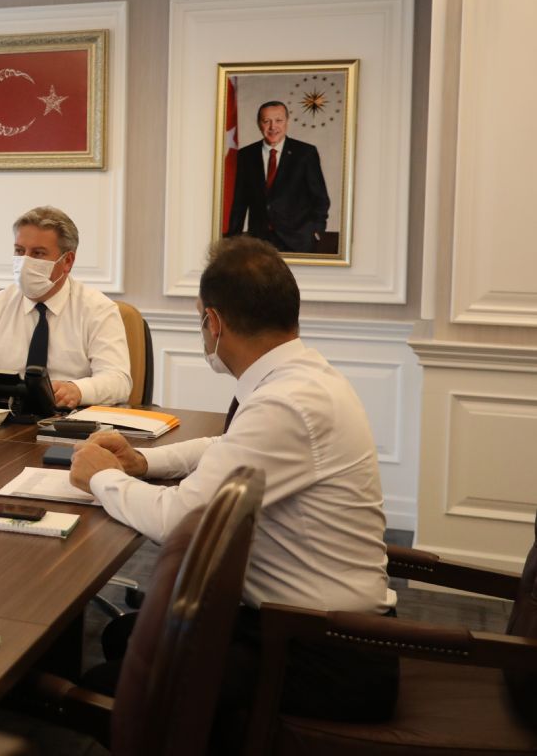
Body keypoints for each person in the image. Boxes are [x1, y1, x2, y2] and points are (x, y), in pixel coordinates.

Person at [70, 235, 397, 730]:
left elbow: (179, 521)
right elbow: (230, 447)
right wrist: (141, 462)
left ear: (214, 322)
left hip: (325, 654)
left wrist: (103, 478)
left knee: (99, 691)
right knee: (126, 636)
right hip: (317, 627)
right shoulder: (301, 378)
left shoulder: (287, 403)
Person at [0, 206, 130, 408]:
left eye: (38, 253)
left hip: (71, 419)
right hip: (5, 418)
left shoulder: (98, 310)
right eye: (19, 251)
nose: (25, 262)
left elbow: (118, 380)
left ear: (67, 261)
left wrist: (78, 390)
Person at [226, 100, 330, 253]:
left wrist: (317, 229)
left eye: (278, 120)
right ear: (259, 124)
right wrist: (232, 239)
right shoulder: (246, 155)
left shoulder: (305, 153)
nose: (272, 127)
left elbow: (320, 198)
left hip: (298, 241)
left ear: (287, 121)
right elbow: (239, 202)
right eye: (266, 121)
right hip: (258, 241)